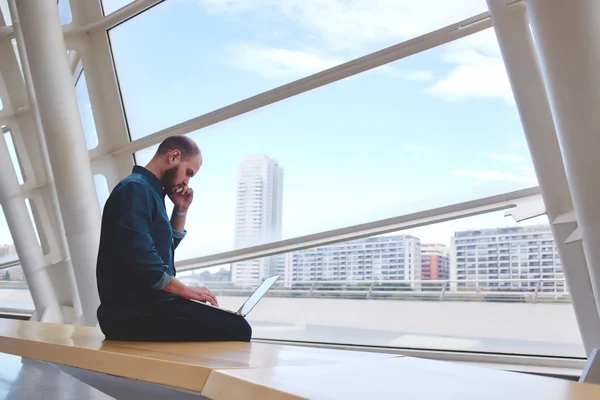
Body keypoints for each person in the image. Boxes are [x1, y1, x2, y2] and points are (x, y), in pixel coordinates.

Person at [96, 136, 251, 342]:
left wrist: (180, 209)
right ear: (174, 156)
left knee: (231, 323)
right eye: (188, 172)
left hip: (147, 307)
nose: (187, 182)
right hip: (132, 313)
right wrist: (186, 291)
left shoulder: (150, 192)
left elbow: (162, 249)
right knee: (238, 328)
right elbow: (144, 262)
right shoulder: (134, 189)